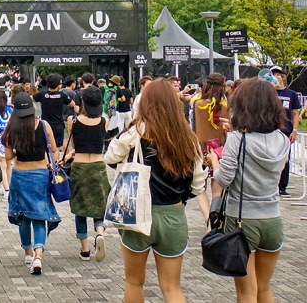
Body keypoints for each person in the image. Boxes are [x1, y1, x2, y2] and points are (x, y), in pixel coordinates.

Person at [104, 79, 207, 303]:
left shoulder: (137, 131)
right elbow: (198, 185)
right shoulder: (188, 137)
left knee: (134, 282)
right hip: (173, 215)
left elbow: (110, 157)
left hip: (137, 214)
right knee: (172, 288)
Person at [204, 78, 290, 303]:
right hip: (273, 219)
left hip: (242, 220)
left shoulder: (237, 140)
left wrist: (215, 161)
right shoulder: (282, 140)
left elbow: (223, 178)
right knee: (264, 288)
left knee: (246, 292)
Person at [1, 93, 61, 276]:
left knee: (23, 216)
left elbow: (9, 157)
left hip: (20, 175)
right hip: (41, 175)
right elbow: (54, 150)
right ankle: (38, 255)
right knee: (39, 215)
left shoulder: (11, 129)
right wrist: (53, 163)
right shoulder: (43, 125)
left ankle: (27, 253)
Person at [65, 86, 109, 261]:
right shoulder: (104, 121)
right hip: (98, 165)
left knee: (80, 208)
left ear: (83, 101)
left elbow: (75, 145)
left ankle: (84, 249)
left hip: (80, 166)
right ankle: (99, 233)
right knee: (100, 205)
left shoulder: (72, 121)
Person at [192, 73, 230, 221]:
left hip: (200, 149)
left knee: (200, 186)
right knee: (217, 187)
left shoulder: (198, 104)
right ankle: (216, 216)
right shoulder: (226, 107)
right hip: (219, 150)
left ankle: (207, 217)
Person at [270, 66, 302, 198]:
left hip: (286, 130)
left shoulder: (291, 94)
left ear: (282, 77)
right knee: (271, 158)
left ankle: (283, 187)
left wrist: (294, 130)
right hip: (271, 130)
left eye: (278, 74)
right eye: (273, 74)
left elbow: (295, 113)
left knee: (285, 159)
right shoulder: (268, 93)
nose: (276, 77)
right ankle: (271, 186)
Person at [32, 73, 75, 149]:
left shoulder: (42, 95)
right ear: (58, 84)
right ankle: (56, 161)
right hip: (58, 125)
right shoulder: (62, 95)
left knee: (45, 147)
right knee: (56, 148)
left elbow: (30, 98)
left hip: (45, 125)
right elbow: (72, 104)